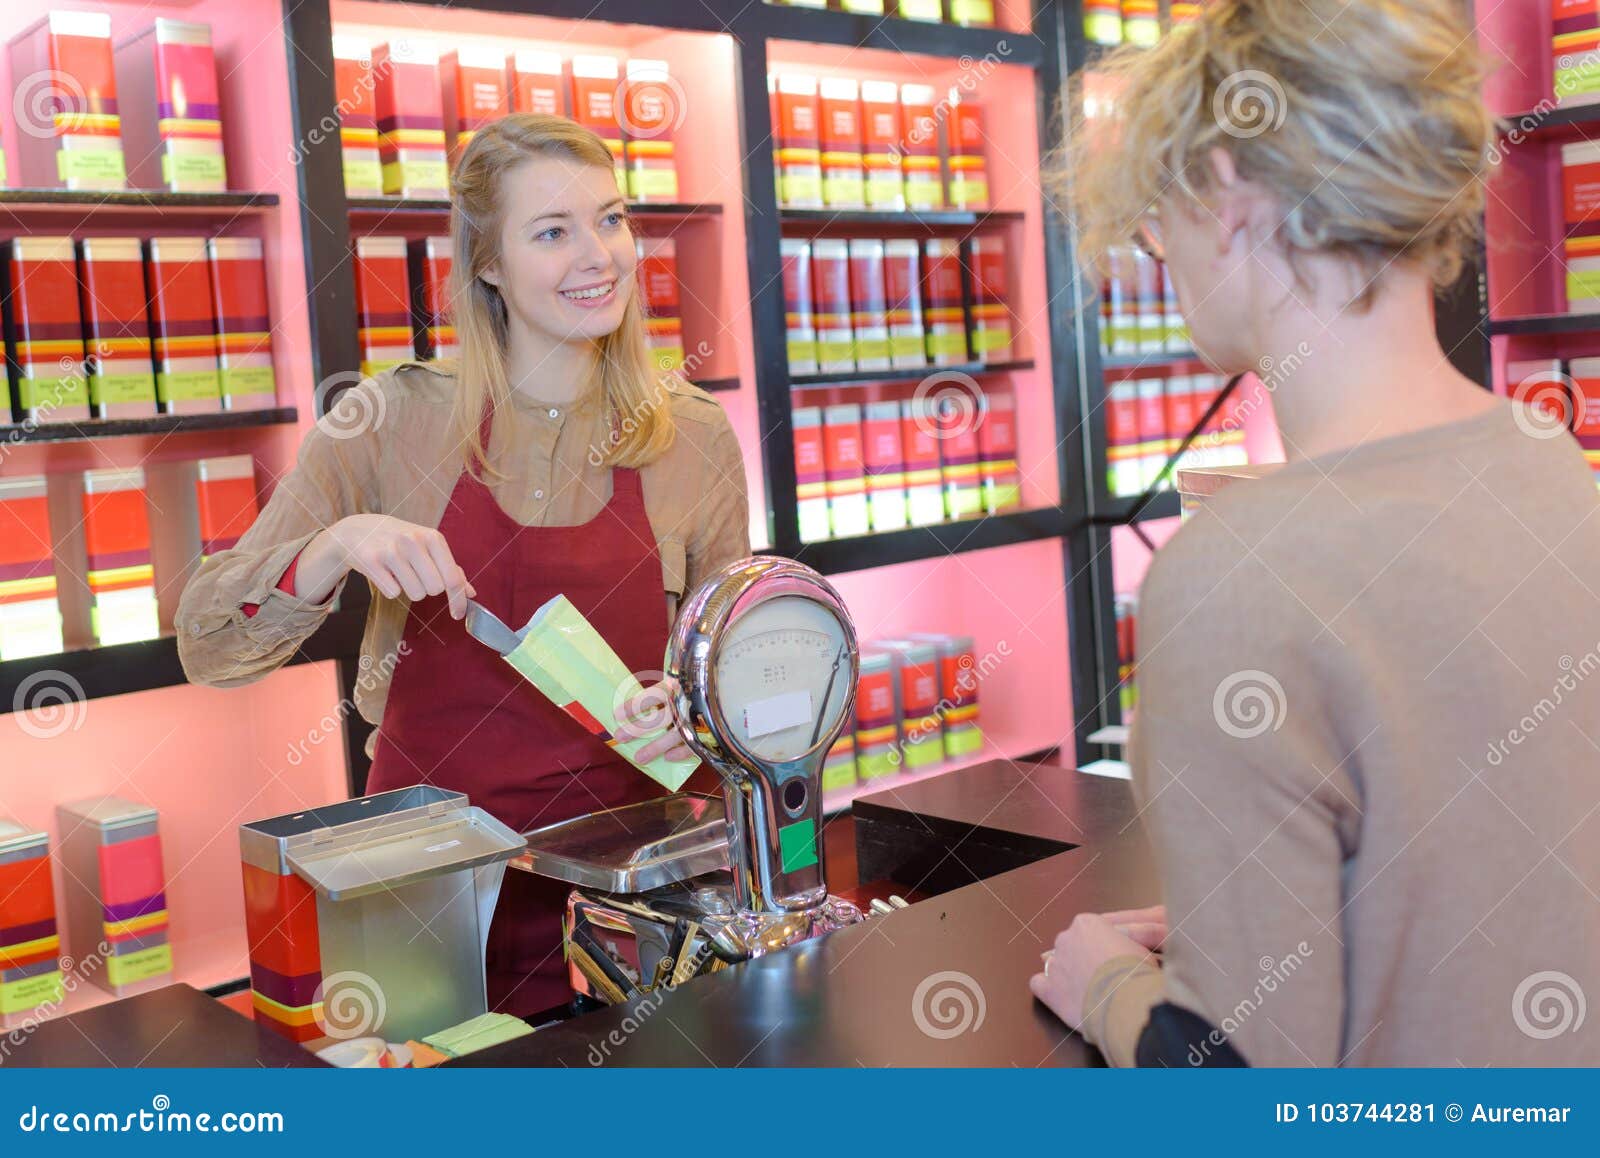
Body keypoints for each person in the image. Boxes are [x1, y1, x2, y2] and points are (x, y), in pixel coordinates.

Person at [1032, 0, 1600, 1065]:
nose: (1160, 254)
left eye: (1159, 212)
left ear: (1229, 191)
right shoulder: (1551, 464)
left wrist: (1107, 986)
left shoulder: (1231, 575)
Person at [178, 114, 750, 1016]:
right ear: (487, 263)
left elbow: (735, 672)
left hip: (638, 899)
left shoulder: (697, 436)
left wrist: (698, 716)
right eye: (553, 232)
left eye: (611, 218)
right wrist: (333, 547)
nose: (599, 254)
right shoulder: (388, 423)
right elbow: (208, 643)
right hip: (426, 899)